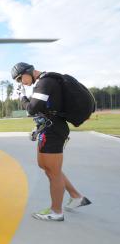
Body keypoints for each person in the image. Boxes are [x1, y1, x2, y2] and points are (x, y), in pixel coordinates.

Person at [11, 62, 91, 221]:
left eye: (20, 79)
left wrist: (22, 97)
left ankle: (56, 211)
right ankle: (76, 196)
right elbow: (41, 109)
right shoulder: (44, 82)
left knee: (53, 171)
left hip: (54, 130)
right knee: (47, 167)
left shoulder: (45, 82)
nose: (21, 83)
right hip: (48, 129)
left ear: (28, 72)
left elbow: (32, 108)